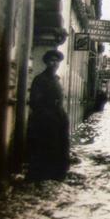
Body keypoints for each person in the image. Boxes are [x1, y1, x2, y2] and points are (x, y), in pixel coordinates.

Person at [27, 50, 70, 181]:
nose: (54, 63)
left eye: (57, 61)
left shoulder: (56, 79)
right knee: (44, 149)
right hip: (44, 122)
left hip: (58, 120)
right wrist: (48, 115)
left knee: (59, 148)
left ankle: (56, 176)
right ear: (46, 62)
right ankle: (41, 178)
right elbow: (35, 102)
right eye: (51, 60)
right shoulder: (40, 79)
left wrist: (61, 117)